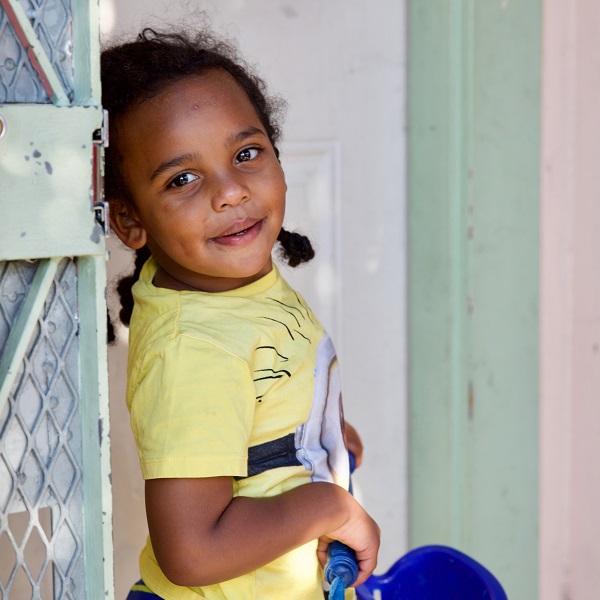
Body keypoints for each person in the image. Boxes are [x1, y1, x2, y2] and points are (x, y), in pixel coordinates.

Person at [102, 25, 380, 600]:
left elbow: (259, 399)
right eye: (182, 178)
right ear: (131, 221)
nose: (229, 191)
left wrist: (319, 439)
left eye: (245, 153)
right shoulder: (194, 349)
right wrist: (327, 504)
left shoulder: (233, 289)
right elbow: (192, 549)